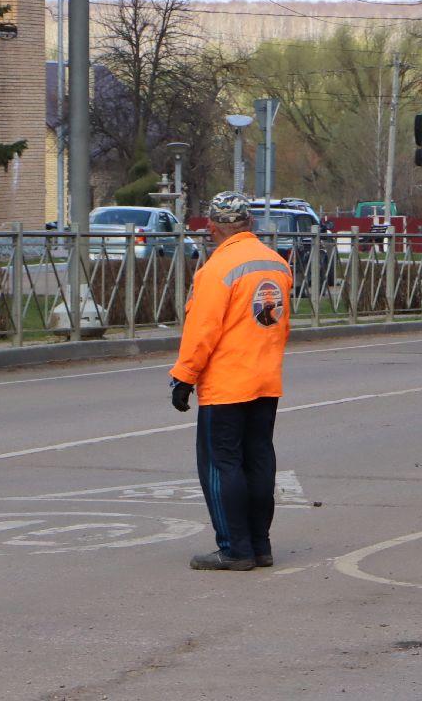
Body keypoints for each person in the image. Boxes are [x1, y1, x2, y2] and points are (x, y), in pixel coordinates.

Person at [170, 191, 293, 571]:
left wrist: (183, 378)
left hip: (226, 384)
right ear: (250, 224)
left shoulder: (218, 269)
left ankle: (234, 548)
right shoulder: (277, 264)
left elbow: (202, 330)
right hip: (266, 379)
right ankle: (260, 545)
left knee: (222, 464)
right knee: (259, 460)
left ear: (212, 228)